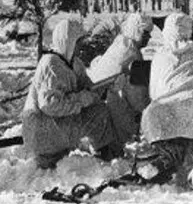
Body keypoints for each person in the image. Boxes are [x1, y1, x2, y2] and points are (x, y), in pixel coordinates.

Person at [21, 18, 120, 169]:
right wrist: (81, 100)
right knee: (96, 113)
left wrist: (105, 87)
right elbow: (49, 105)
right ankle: (52, 156)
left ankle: (106, 154)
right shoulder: (51, 64)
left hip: (58, 125)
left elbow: (88, 89)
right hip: (42, 129)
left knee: (99, 110)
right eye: (77, 41)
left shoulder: (74, 64)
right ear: (67, 42)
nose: (81, 46)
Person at [138, 12, 193, 194]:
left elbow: (154, 92)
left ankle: (165, 161)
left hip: (167, 116)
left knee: (158, 124)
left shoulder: (160, 56)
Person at [88, 14, 154, 145]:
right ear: (136, 31)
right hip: (114, 108)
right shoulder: (130, 55)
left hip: (100, 104)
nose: (149, 37)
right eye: (145, 33)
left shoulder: (122, 43)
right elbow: (138, 100)